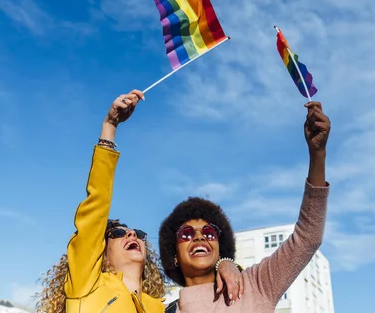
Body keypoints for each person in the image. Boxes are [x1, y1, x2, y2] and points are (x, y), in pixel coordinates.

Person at [36, 90, 244, 313]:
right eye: (117, 233)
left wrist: (227, 263)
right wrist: (110, 127)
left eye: (138, 234)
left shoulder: (165, 309)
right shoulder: (87, 285)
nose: (132, 235)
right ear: (101, 252)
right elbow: (96, 206)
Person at [159, 101, 331, 313]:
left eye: (209, 232)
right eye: (186, 234)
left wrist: (317, 154)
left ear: (221, 247)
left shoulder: (257, 284)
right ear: (173, 254)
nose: (199, 237)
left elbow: (308, 237)